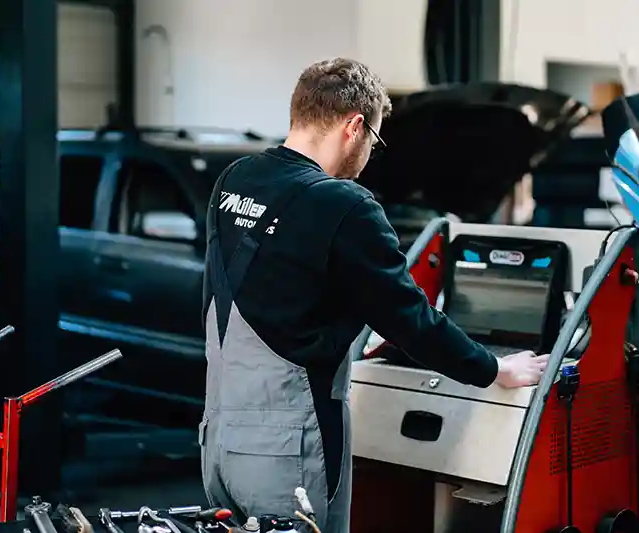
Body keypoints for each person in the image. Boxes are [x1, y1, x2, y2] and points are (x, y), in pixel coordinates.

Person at [199, 58, 550, 533]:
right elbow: (409, 319)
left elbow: (270, 289)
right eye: (375, 142)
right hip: (287, 453)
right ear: (354, 126)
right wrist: (495, 369)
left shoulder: (234, 180)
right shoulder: (343, 204)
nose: (369, 156)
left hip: (218, 440)